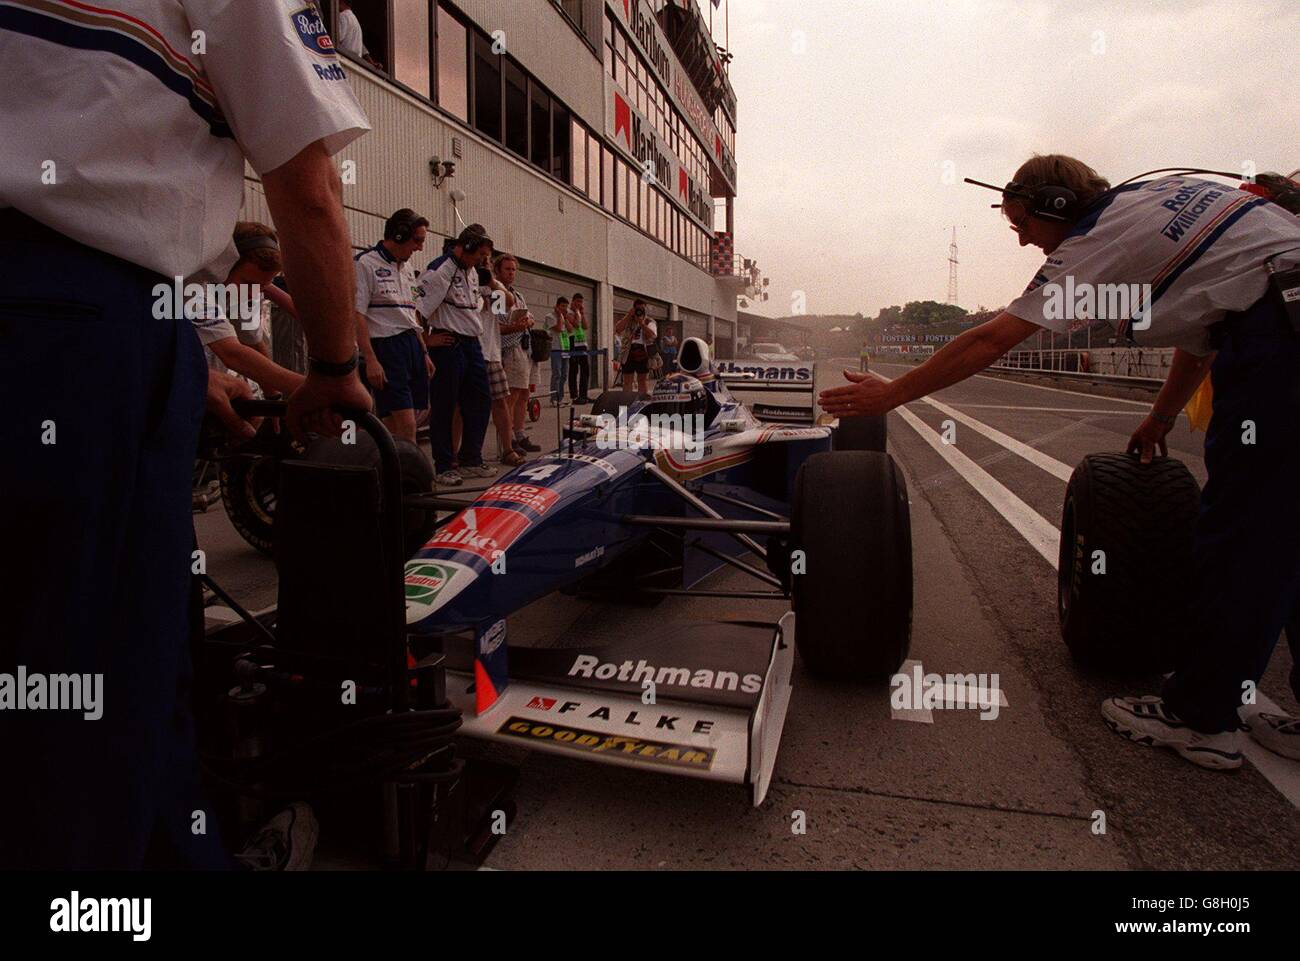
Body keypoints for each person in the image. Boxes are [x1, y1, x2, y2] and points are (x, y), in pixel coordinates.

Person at [0, 1, 371, 870]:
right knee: (92, 682)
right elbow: (308, 189)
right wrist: (334, 366)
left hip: (73, 324)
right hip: (80, 322)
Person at [820, 154, 1300, 771]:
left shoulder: (1099, 240)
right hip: (1279, 312)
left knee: (1247, 534)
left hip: (1279, 345)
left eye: (1022, 221)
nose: (1021, 237)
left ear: (1055, 205)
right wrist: (1160, 415)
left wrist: (890, 395)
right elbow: (1207, 325)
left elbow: (992, 339)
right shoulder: (1173, 194)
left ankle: (1202, 718)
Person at [416, 224, 497, 486]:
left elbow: (494, 302)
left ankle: (471, 458)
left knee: (481, 400)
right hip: (449, 344)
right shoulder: (439, 270)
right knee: (445, 405)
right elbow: (417, 311)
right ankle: (443, 464)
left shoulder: (472, 272)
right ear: (467, 248)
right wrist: (427, 342)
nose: (482, 261)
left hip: (473, 344)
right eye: (479, 255)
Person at [190, 223, 305, 398]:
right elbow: (232, 353)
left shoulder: (245, 290)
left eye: (263, 285)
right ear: (223, 267)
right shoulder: (192, 286)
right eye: (249, 283)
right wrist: (314, 388)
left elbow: (253, 342)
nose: (253, 293)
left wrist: (272, 395)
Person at [354, 209, 435, 442]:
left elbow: (412, 313)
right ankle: (408, 474)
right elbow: (357, 315)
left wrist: (424, 352)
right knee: (406, 423)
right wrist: (370, 359)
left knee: (395, 422)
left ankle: (388, 469)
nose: (419, 247)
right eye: (417, 240)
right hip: (386, 346)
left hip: (412, 344)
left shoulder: (408, 268)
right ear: (399, 235)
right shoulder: (365, 264)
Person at [477, 257, 525, 467]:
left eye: (486, 262)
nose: (483, 266)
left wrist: (492, 282)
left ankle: (507, 449)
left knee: (501, 402)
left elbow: (503, 309)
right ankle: (458, 456)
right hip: (472, 349)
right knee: (464, 407)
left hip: (492, 351)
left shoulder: (491, 287)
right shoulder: (462, 282)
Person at [494, 254, 541, 455]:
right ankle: (508, 438)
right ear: (498, 271)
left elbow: (530, 317)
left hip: (525, 348)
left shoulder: (518, 295)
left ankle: (520, 433)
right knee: (511, 396)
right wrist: (515, 326)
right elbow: (495, 324)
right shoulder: (497, 294)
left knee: (524, 393)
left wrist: (526, 323)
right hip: (509, 348)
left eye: (513, 269)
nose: (511, 273)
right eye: (507, 269)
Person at [615, 299, 657, 395]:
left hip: (643, 351)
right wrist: (629, 315)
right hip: (628, 351)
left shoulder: (649, 321)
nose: (640, 311)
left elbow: (653, 335)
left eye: (642, 309)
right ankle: (625, 406)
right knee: (627, 381)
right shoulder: (629, 319)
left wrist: (641, 323)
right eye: (638, 309)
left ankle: (641, 405)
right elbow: (618, 329)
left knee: (642, 380)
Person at [567, 292, 592, 404]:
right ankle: (574, 395)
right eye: (578, 301)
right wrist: (577, 312)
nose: (580, 304)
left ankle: (584, 394)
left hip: (582, 343)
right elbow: (576, 324)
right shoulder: (568, 312)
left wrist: (582, 313)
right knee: (573, 369)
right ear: (573, 301)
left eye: (581, 302)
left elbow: (585, 326)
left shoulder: (579, 313)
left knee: (585, 369)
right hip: (573, 341)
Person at [548, 296, 571, 405]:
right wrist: (561, 316)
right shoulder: (550, 317)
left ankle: (560, 397)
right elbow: (558, 328)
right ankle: (554, 398)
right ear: (557, 306)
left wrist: (565, 318)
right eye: (562, 306)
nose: (564, 308)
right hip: (556, 348)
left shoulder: (564, 317)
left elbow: (570, 329)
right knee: (556, 373)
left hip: (565, 348)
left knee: (564, 375)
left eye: (566, 306)